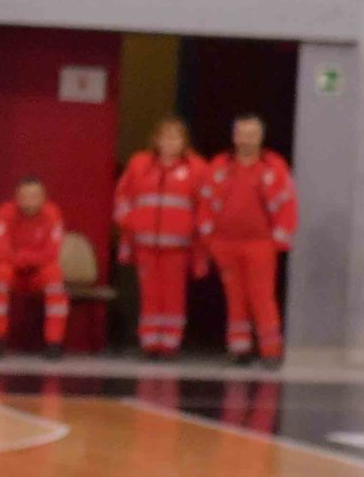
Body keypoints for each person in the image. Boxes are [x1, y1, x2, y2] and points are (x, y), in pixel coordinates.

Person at [199, 114, 297, 368]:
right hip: (225, 243)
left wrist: (279, 239)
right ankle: (239, 348)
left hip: (260, 244)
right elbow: (206, 202)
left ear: (261, 137)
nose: (247, 139)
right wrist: (209, 239)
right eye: (242, 134)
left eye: (252, 134)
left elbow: (287, 204)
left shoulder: (273, 167)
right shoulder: (219, 166)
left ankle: (271, 351)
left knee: (262, 297)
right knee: (235, 297)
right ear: (234, 137)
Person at [113, 116, 209, 359]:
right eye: (165, 137)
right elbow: (123, 196)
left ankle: (170, 343)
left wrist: (198, 233)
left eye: (175, 137)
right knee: (149, 294)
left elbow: (206, 204)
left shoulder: (197, 168)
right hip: (145, 243)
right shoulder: (139, 165)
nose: (170, 142)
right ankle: (149, 342)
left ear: (184, 142)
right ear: (156, 139)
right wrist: (130, 223)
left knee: (174, 294)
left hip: (178, 245)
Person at [0, 177, 67, 359]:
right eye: (24, 196)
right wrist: (24, 259)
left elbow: (52, 251)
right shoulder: (4, 212)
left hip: (38, 272)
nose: (29, 201)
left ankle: (54, 342)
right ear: (16, 198)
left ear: (43, 198)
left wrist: (26, 258)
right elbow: (0, 249)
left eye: (34, 196)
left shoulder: (53, 214)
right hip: (12, 270)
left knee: (54, 275)